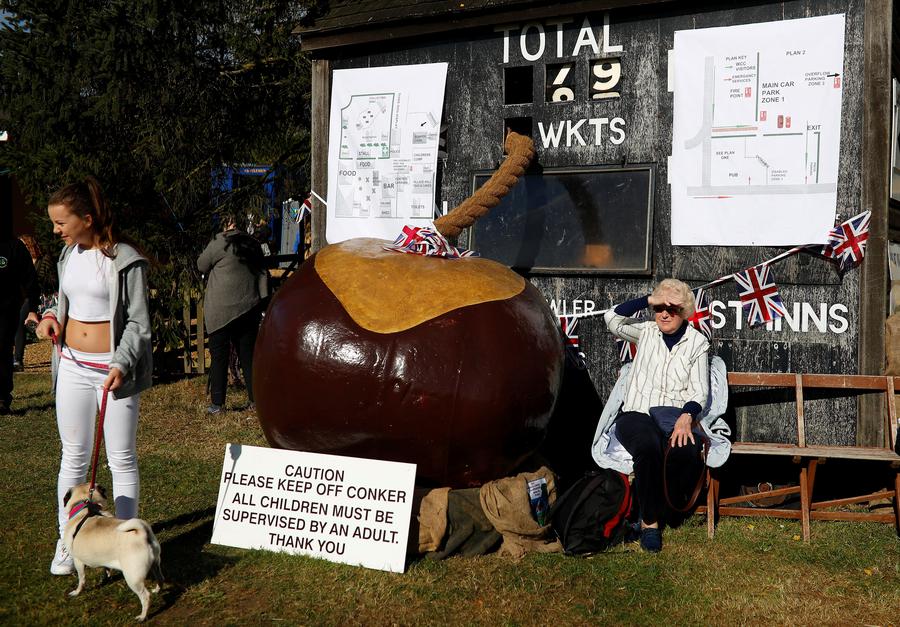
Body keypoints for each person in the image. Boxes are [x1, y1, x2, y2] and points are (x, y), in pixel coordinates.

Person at [35, 176, 152, 575]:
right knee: (74, 456)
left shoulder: (125, 259)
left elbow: (138, 321)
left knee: (121, 458)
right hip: (71, 366)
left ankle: (123, 544)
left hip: (112, 371)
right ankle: (68, 540)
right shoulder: (70, 255)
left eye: (60, 222)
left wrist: (120, 363)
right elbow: (64, 298)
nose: (55, 231)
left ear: (86, 218)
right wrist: (51, 316)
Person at [602, 278, 709, 553]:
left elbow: (700, 391)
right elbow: (611, 318)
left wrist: (687, 416)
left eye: (672, 309)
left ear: (684, 311)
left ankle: (661, 507)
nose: (664, 314)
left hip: (673, 415)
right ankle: (649, 523)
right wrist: (649, 299)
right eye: (659, 307)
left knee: (683, 450)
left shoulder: (697, 343)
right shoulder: (646, 332)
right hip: (636, 413)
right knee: (648, 447)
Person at [197, 213, 267, 414]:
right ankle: (255, 401)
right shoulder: (252, 244)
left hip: (221, 310)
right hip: (248, 307)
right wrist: (262, 302)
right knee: (248, 356)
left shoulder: (219, 241)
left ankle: (217, 405)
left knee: (219, 357)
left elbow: (201, 265)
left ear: (224, 224)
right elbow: (262, 273)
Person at [0, 231, 39, 413]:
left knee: (3, 351)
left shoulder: (13, 246)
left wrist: (33, 307)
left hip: (6, 311)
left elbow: (30, 278)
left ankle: (2, 398)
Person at [14, 234, 55, 371]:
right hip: (32, 298)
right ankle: (18, 360)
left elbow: (52, 280)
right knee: (19, 320)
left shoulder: (44, 260)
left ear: (29, 245)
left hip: (46, 296)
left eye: (23, 245)